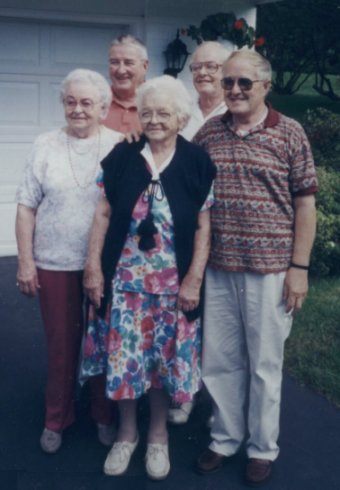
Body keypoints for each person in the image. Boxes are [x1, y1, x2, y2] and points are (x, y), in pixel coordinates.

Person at [80, 75, 216, 480]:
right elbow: (103, 214)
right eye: (147, 112)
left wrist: (194, 279)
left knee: (161, 362)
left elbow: (203, 229)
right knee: (125, 360)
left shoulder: (196, 162)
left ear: (180, 118)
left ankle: (158, 437)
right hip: (124, 283)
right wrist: (92, 268)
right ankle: (127, 434)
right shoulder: (122, 158)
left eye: (164, 113)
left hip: (173, 287)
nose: (154, 119)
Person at [194, 51, 318, 486]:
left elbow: (305, 204)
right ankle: (225, 437)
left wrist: (298, 267)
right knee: (220, 360)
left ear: (266, 85)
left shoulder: (290, 132)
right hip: (219, 267)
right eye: (228, 82)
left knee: (265, 363)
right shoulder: (210, 131)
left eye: (244, 82)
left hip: (270, 270)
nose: (234, 90)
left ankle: (262, 447)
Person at [15, 69, 122, 454]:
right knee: (62, 345)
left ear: (104, 107)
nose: (77, 109)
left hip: (105, 264)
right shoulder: (44, 144)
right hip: (54, 260)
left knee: (104, 343)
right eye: (70, 102)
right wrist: (26, 261)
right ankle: (56, 418)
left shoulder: (119, 145)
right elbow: (26, 207)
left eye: (87, 102)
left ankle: (103, 414)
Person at [169, 40, 231, 426]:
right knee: (187, 315)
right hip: (186, 232)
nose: (203, 73)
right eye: (197, 67)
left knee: (222, 325)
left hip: (229, 234)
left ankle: (221, 401)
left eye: (212, 66)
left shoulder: (237, 111)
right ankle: (185, 390)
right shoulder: (182, 112)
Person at [104, 34, 149, 134]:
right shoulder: (96, 104)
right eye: (114, 62)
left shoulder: (158, 105)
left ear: (145, 66)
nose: (121, 70)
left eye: (128, 63)